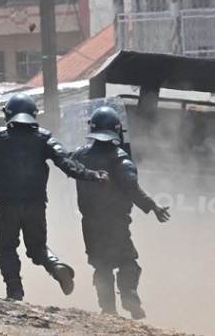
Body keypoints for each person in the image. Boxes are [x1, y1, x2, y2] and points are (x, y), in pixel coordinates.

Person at [0, 93, 108, 301]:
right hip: (36, 204)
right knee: (37, 247)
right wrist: (92, 175)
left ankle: (14, 292)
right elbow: (67, 164)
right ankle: (55, 265)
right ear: (34, 114)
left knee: (6, 248)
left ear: (8, 115)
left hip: (8, 205)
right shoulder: (44, 138)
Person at [69, 107, 171, 319]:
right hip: (115, 223)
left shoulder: (80, 155)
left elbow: (65, 164)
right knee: (127, 261)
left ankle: (108, 310)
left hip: (89, 223)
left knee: (101, 265)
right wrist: (153, 207)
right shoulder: (120, 159)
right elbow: (131, 188)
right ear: (118, 131)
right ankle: (129, 296)